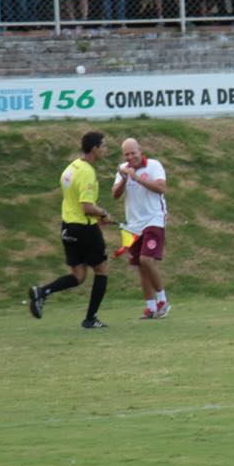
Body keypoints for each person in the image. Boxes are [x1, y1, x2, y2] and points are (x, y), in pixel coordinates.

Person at [28, 132, 114, 329]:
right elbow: (86, 206)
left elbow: (73, 201)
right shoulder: (87, 172)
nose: (105, 150)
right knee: (101, 270)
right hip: (84, 229)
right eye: (103, 146)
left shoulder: (71, 167)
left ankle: (42, 292)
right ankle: (91, 318)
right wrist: (103, 213)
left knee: (79, 276)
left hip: (68, 228)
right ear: (94, 148)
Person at [112, 138, 169, 319]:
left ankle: (162, 300)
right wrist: (124, 178)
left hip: (154, 219)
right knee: (140, 266)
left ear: (140, 151)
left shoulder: (153, 165)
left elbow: (161, 188)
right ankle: (151, 308)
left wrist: (137, 178)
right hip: (133, 225)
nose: (130, 157)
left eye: (133, 153)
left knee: (146, 260)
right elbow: (115, 195)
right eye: (126, 154)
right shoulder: (122, 169)